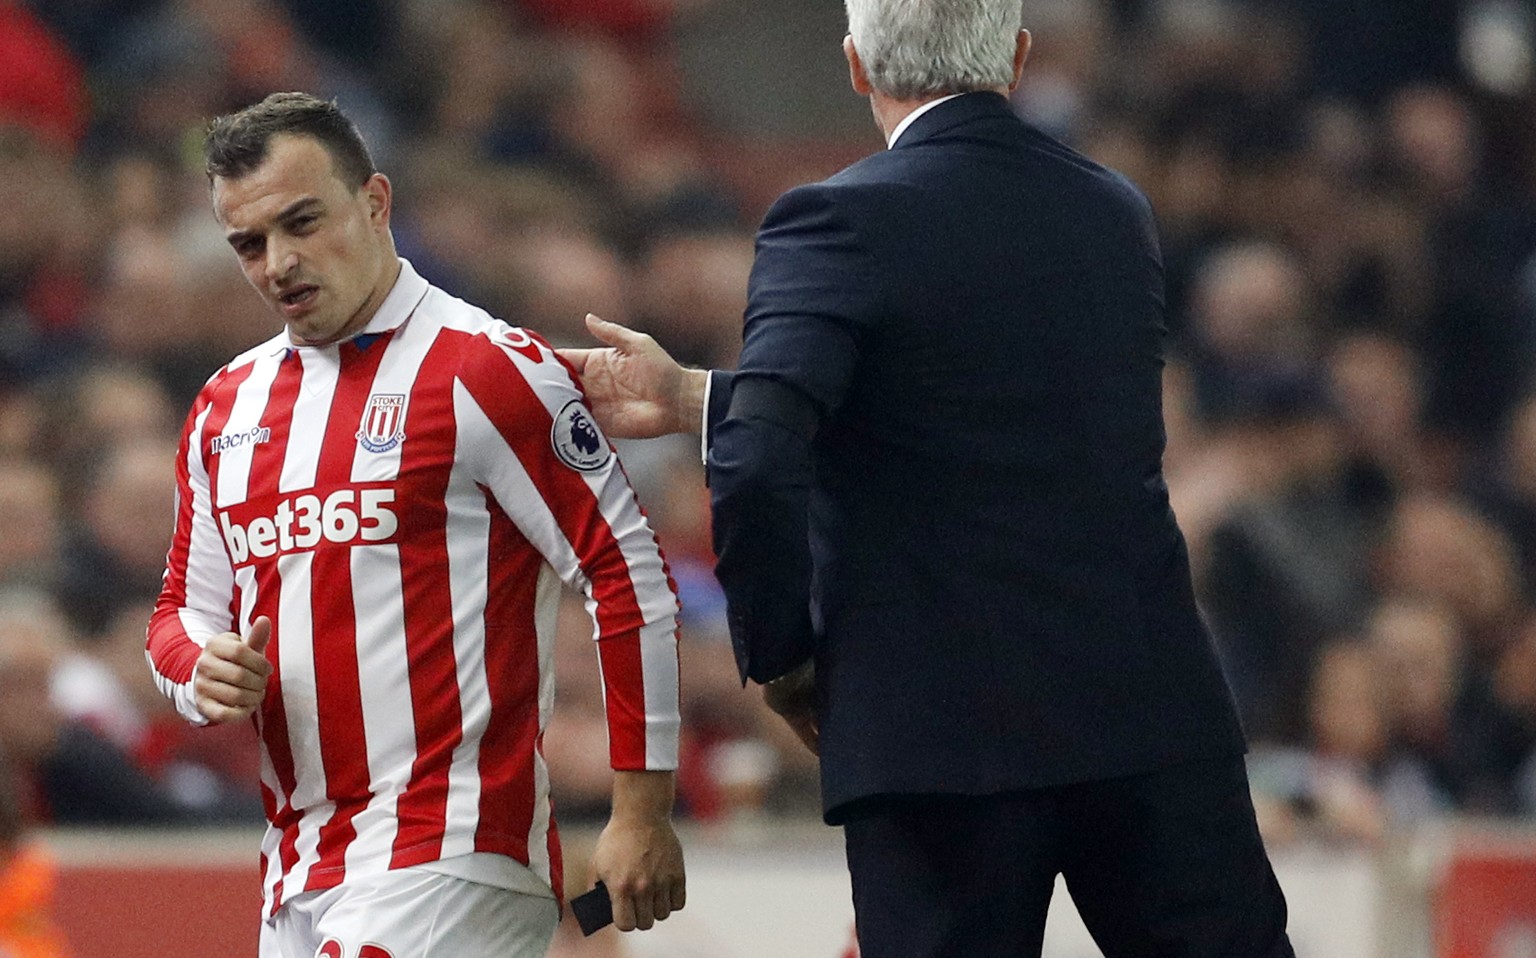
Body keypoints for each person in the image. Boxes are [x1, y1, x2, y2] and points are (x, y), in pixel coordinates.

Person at [558, 1, 1296, 955]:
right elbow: (983, 410)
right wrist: (700, 395)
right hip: (1144, 711)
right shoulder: (1113, 212)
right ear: (1019, 56)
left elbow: (767, 460)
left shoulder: (835, 217)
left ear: (857, 66)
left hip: (940, 732)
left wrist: (785, 660)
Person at [146, 92, 685, 958]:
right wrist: (199, 671)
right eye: (249, 243)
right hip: (295, 866)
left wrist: (641, 810)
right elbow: (178, 612)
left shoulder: (490, 368)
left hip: (453, 850)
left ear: (375, 202)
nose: (278, 262)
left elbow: (629, 575)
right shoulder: (224, 407)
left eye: (302, 222)